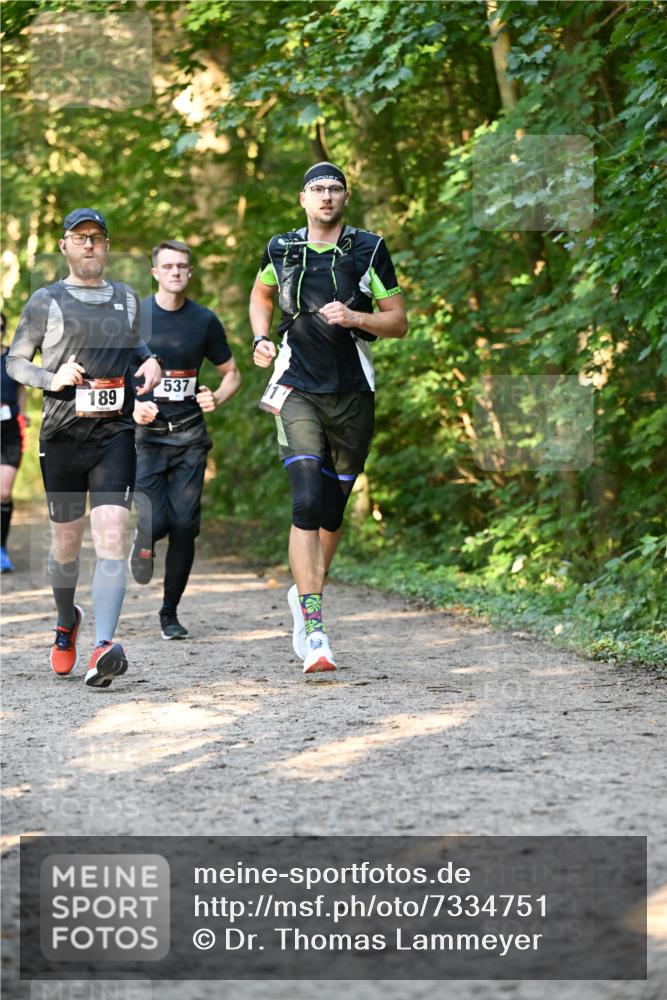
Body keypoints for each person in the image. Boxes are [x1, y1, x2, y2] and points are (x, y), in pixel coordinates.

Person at [250, 162, 407, 674]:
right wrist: (260, 336)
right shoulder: (282, 248)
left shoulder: (369, 248)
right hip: (296, 388)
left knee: (332, 514)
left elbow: (398, 322)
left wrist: (356, 316)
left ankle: (306, 593)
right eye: (317, 189)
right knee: (306, 500)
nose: (326, 197)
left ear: (346, 197)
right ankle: (315, 628)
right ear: (302, 199)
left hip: (353, 392)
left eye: (334, 189)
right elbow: (262, 293)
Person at [7, 208, 161, 687]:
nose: (89, 245)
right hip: (62, 437)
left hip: (113, 436)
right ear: (64, 246)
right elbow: (15, 362)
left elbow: (133, 347)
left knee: (113, 535)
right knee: (66, 547)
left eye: (97, 237)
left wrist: (151, 360)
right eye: (80, 237)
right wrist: (51, 378)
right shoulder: (45, 300)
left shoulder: (127, 300)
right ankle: (66, 620)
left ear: (107, 245)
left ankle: (103, 646)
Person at [130, 240, 240, 639]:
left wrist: (217, 395)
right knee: (155, 520)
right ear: (155, 272)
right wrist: (132, 407)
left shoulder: (204, 320)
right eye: (168, 266)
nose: (176, 272)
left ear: (189, 273)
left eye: (182, 266)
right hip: (145, 437)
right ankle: (143, 540)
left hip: (191, 436)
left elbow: (232, 373)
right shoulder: (135, 317)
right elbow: (105, 372)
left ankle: (169, 613)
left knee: (185, 525)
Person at [1, 312, 30, 573]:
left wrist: (23, 413)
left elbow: (21, 388)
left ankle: (1, 549)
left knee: (4, 492)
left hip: (9, 430)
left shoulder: (12, 358)